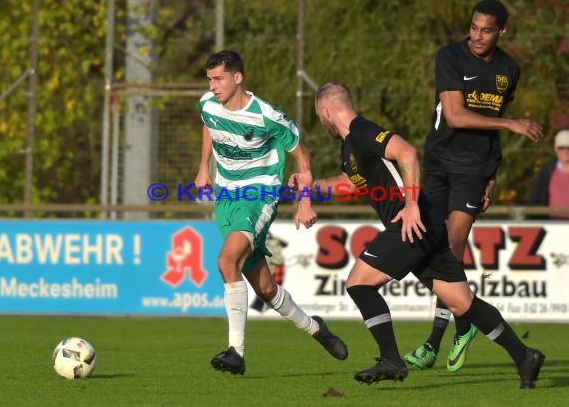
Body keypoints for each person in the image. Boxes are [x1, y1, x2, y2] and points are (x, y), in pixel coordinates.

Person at [297, 81, 544, 389]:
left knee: (358, 284)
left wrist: (412, 205)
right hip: (423, 224)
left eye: (320, 117)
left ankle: (391, 359)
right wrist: (311, 184)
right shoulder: (349, 146)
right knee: (461, 302)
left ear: (326, 111)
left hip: (411, 222)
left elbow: (408, 153)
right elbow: (349, 184)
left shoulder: (362, 131)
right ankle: (525, 356)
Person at [404, 0, 544, 372]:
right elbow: (454, 115)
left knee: (450, 248)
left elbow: (492, 124)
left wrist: (492, 178)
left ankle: (435, 341)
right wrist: (512, 124)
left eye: (486, 30)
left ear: (502, 32)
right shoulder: (450, 56)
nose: (477, 36)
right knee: (431, 250)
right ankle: (463, 324)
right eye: (473, 27)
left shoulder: (508, 68)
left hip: (474, 170)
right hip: (437, 165)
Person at [194, 50, 348, 375]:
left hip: (259, 194)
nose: (213, 85)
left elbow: (302, 156)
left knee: (226, 262)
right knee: (264, 288)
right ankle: (315, 328)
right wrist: (203, 168)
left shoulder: (267, 116)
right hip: (226, 197)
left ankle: (236, 352)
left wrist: (305, 201)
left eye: (219, 78)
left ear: (238, 78)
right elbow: (209, 125)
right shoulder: (207, 103)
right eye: (210, 79)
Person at [527, 129, 569, 219]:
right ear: (555, 149)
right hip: (552, 228)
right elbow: (536, 199)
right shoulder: (547, 171)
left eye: (568, 147)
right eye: (561, 148)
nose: (565, 151)